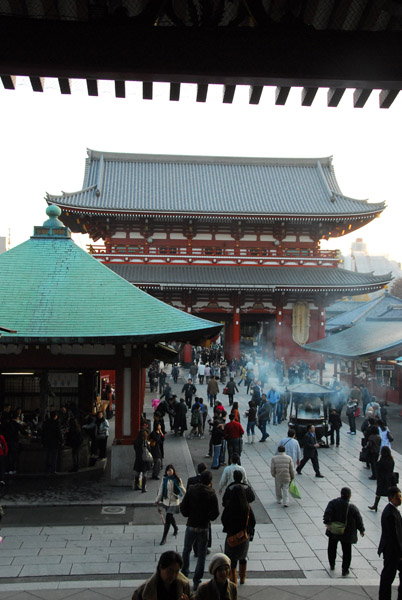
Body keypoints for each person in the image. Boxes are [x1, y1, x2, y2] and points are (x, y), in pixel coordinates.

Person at [180, 469, 220, 591]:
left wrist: (188, 514)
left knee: (186, 550)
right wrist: (208, 517)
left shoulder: (191, 490)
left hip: (191, 524)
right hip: (203, 526)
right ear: (210, 482)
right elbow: (216, 512)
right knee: (202, 554)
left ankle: (184, 574)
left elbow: (183, 506)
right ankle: (197, 580)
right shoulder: (211, 493)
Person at [323, 487, 365, 576]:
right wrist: (361, 530)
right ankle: (345, 569)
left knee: (332, 547)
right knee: (347, 551)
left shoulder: (333, 503)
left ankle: (332, 564)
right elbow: (358, 519)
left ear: (341, 494)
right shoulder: (352, 507)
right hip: (347, 532)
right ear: (349, 495)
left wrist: (327, 523)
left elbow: (327, 513)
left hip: (334, 531)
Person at [221, 482, 256, 585]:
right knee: (243, 557)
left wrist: (228, 528)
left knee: (232, 559)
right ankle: (243, 577)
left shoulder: (229, 506)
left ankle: (233, 580)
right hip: (244, 536)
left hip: (231, 535)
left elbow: (224, 519)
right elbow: (253, 521)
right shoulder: (247, 507)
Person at [378, 486, 402, 600]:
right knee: (388, 577)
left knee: (387, 576)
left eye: (400, 496)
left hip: (393, 550)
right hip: (393, 551)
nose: (400, 499)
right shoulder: (390, 514)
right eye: (397, 497)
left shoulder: (393, 510)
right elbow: (395, 536)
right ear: (390, 498)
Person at [155, 464, 186, 545]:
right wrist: (157, 500)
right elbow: (161, 490)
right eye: (168, 470)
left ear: (173, 471)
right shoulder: (164, 479)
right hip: (166, 501)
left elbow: (182, 488)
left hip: (174, 501)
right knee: (170, 516)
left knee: (168, 517)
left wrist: (188, 495)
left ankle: (164, 538)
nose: (169, 472)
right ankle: (175, 528)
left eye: (170, 470)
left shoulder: (177, 479)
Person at [368, 446, 396, 512]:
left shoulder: (382, 460)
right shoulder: (391, 460)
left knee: (379, 493)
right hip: (389, 479)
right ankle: (392, 506)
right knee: (389, 493)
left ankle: (375, 505)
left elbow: (378, 468)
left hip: (382, 479)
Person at [133, 428, 151, 493]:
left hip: (138, 459)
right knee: (144, 473)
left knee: (137, 472)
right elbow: (149, 449)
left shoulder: (136, 441)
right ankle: (143, 488)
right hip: (144, 459)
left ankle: (136, 485)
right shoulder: (145, 442)